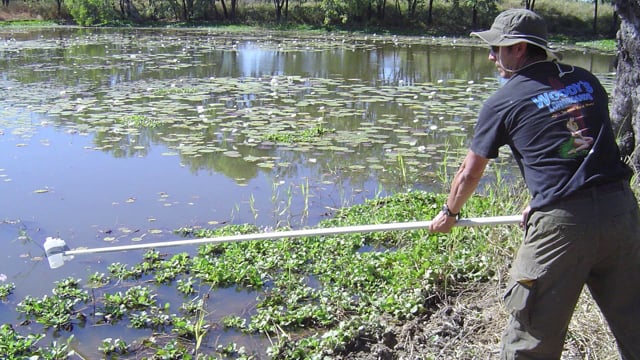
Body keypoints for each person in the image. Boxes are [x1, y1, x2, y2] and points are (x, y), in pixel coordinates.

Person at [428, 8, 640, 360]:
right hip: (622, 212)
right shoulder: (586, 80)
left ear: (520, 49)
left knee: (530, 341)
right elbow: (580, 143)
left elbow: (469, 173)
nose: (491, 56)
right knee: (636, 323)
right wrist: (542, 196)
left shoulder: (502, 102)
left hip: (563, 230)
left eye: (497, 48)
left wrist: (450, 212)